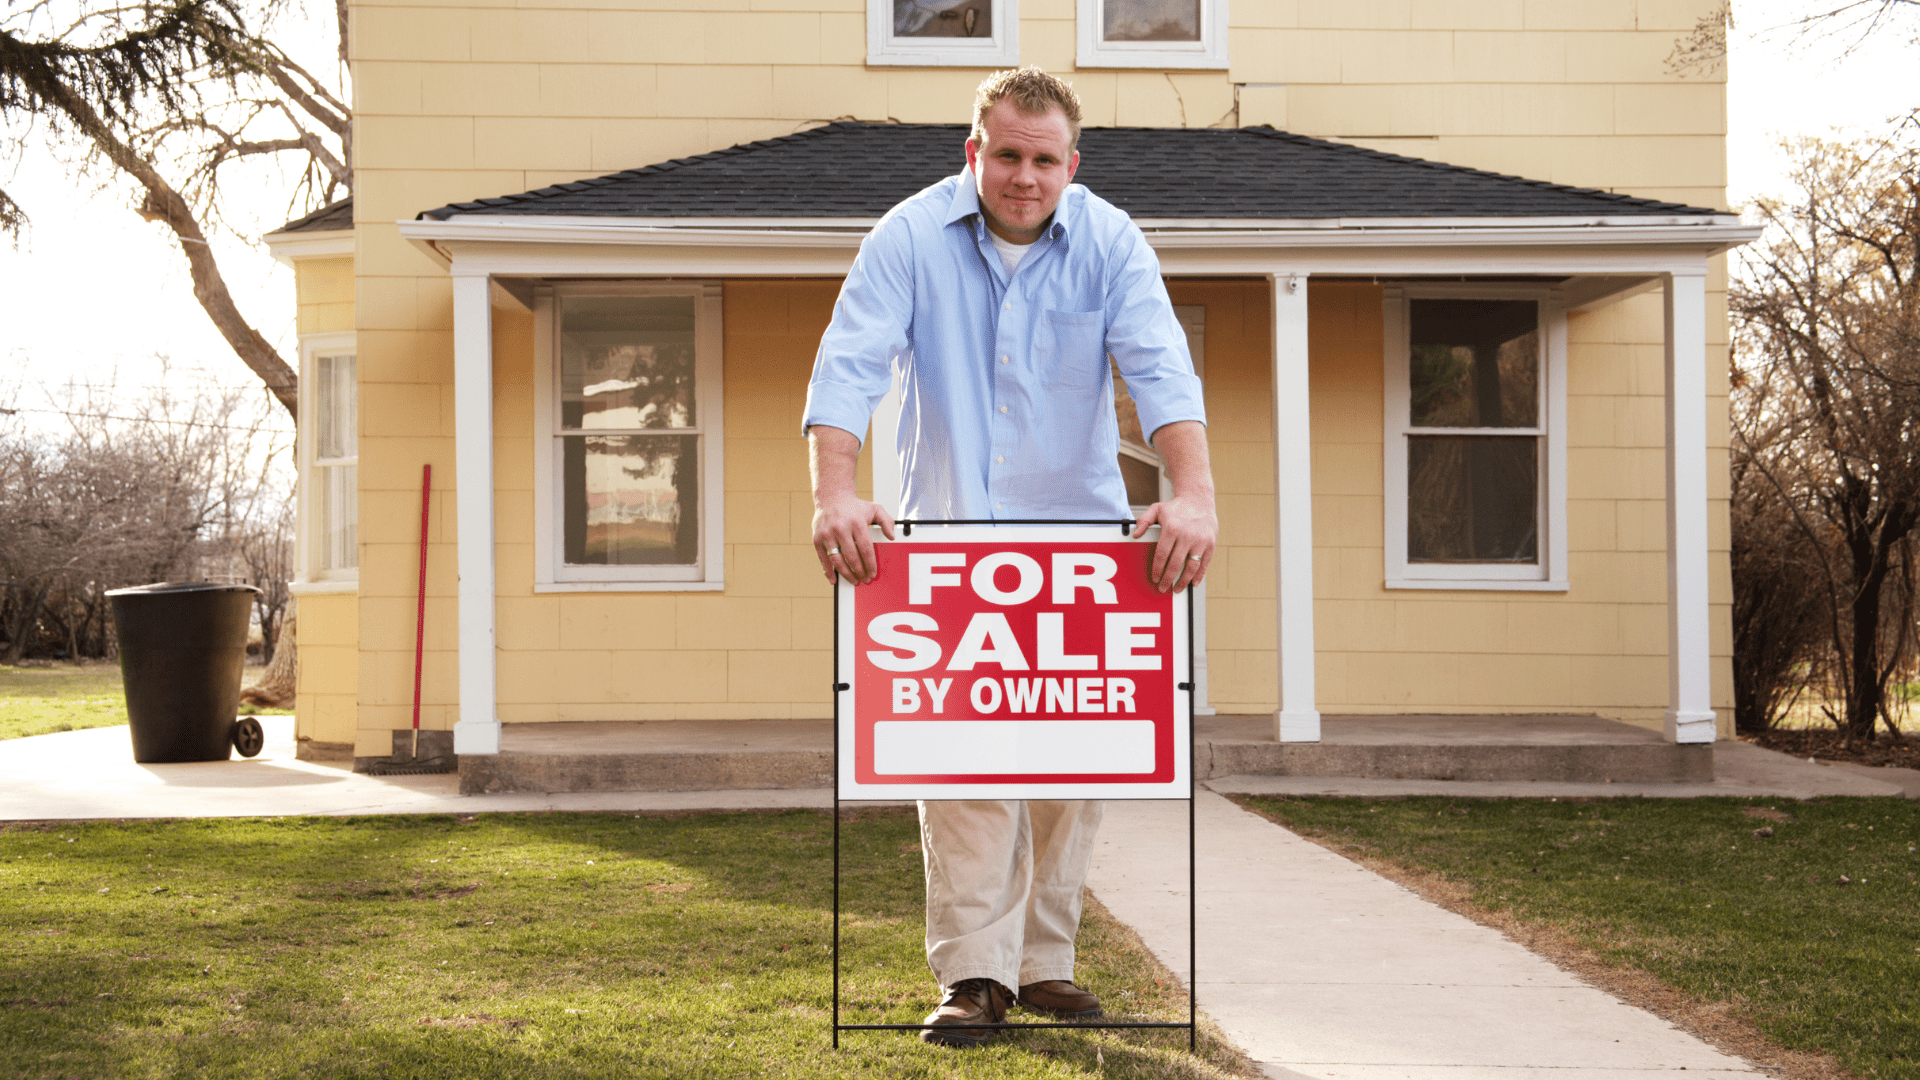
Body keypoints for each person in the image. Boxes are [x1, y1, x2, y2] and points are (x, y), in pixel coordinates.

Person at [801, 66, 1217, 1049]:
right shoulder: (908, 236)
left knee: (1073, 767)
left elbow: (1159, 366)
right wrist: (834, 493)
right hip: (951, 544)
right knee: (965, 768)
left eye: (1044, 159)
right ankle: (975, 975)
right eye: (1006, 154)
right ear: (974, 151)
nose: (1024, 176)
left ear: (1072, 163)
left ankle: (1044, 963)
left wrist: (1194, 493)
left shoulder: (1112, 240)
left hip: (1080, 550)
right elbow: (849, 365)